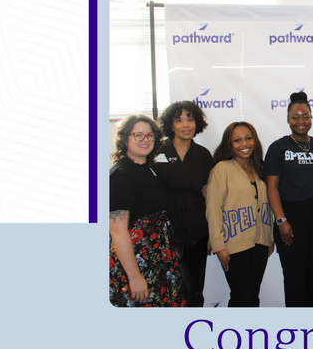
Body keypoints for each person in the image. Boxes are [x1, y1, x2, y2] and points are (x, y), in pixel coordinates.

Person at [265, 92, 313, 307]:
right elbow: (272, 187)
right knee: (294, 277)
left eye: (305, 116)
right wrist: (281, 220)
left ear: (311, 118)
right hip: (290, 216)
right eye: (295, 117)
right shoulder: (278, 148)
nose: (301, 121)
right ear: (288, 119)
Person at [109, 115, 186, 307]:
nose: (146, 139)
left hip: (160, 258)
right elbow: (117, 231)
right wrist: (134, 277)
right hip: (137, 263)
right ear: (125, 139)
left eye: (150, 135)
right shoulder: (120, 177)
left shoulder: (149, 169)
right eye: (138, 135)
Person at [205, 121, 274, 307]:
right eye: (237, 140)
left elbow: (269, 204)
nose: (244, 144)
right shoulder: (222, 169)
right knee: (241, 296)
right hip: (233, 245)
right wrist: (218, 245)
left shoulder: (259, 168)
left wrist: (270, 236)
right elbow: (213, 209)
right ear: (229, 144)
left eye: (248, 138)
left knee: (253, 296)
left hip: (260, 243)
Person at [154, 100, 213, 307]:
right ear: (170, 125)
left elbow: (208, 193)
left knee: (196, 288)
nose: (186, 125)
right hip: (168, 228)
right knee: (174, 288)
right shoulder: (157, 151)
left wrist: (212, 232)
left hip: (198, 227)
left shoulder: (203, 154)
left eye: (190, 119)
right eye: (179, 120)